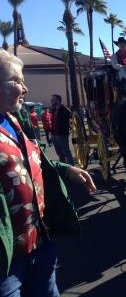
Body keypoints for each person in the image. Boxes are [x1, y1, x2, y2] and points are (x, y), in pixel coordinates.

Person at [0, 49, 97, 296]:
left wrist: (67, 169)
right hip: (7, 265)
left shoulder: (15, 119)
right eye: (17, 81)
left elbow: (34, 161)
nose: (25, 89)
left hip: (41, 246)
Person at [50, 94, 74, 165]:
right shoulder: (54, 110)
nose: (51, 101)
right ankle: (64, 167)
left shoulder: (64, 109)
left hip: (62, 135)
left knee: (66, 152)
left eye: (53, 100)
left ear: (58, 100)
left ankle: (72, 167)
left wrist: (70, 127)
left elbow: (73, 117)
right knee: (59, 153)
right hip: (54, 135)